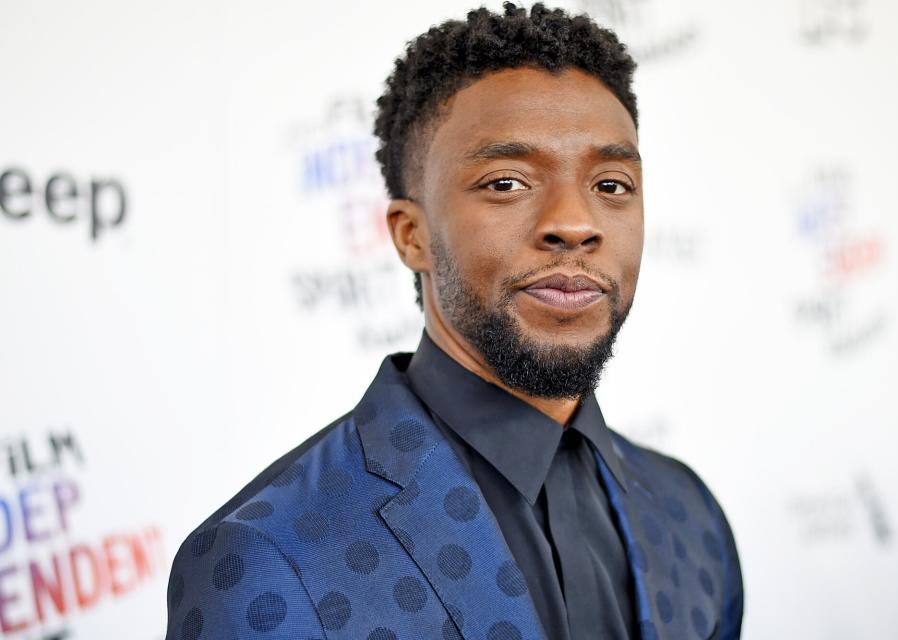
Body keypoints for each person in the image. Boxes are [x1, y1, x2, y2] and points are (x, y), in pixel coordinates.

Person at [164, 3, 744, 639]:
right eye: (505, 182)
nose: (575, 223)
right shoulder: (271, 558)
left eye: (611, 185)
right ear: (412, 236)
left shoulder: (690, 514)